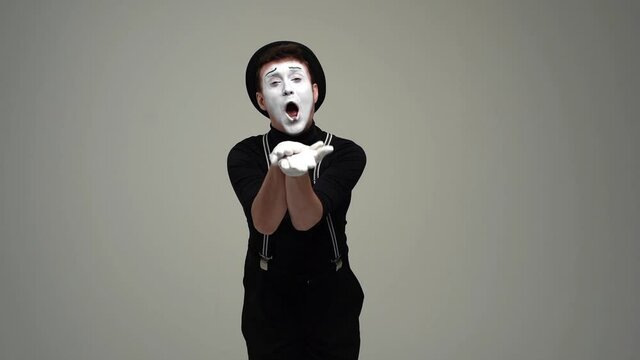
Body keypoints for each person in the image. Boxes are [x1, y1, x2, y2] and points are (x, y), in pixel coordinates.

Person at [227, 40, 367, 360]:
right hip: (269, 299)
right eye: (275, 83)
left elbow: (306, 219)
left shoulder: (345, 153)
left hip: (331, 295)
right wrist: (279, 167)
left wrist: (298, 174)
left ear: (314, 92)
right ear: (262, 100)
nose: (288, 90)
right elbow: (264, 222)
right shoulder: (244, 154)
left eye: (296, 79)